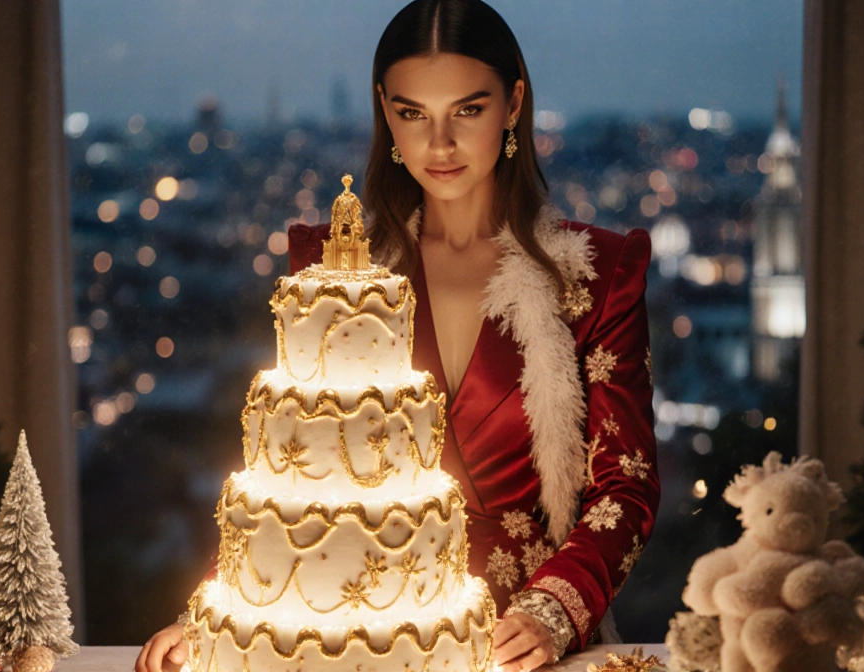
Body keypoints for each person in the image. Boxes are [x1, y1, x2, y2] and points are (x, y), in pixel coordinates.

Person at [136, 1, 658, 670]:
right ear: (385, 113)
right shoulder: (334, 273)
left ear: (514, 103)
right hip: (356, 640)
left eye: (467, 110)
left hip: (526, 647)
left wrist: (556, 610)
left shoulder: (592, 276)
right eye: (413, 113)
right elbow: (298, 478)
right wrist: (219, 609)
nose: (439, 145)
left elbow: (627, 484)